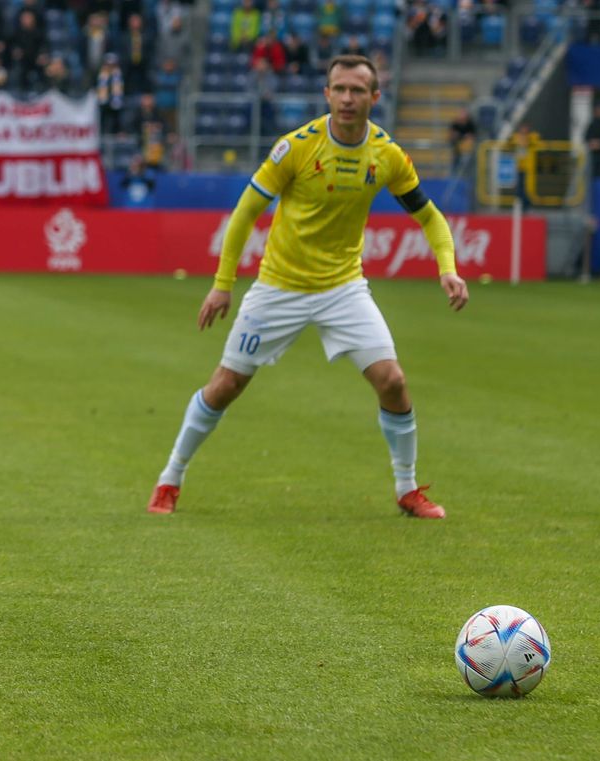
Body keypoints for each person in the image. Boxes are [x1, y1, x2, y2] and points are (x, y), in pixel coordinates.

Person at [146, 54, 469, 519]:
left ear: (375, 98)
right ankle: (170, 478)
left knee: (393, 381)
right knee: (226, 385)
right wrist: (223, 284)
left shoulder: (386, 155)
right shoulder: (296, 147)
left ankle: (407, 488)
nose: (347, 98)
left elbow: (429, 215)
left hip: (343, 287)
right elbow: (245, 214)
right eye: (339, 89)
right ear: (326, 94)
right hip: (279, 286)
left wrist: (447, 266)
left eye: (357, 90)